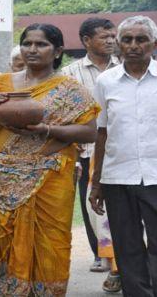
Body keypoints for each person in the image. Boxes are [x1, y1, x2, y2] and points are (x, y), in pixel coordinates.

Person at [0, 23, 100, 296]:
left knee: (48, 243)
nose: (32, 49)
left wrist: (47, 130)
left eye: (41, 44)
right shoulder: (1, 83)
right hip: (0, 177)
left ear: (58, 50)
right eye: (27, 43)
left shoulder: (70, 89)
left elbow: (89, 132)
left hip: (49, 178)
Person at [90, 15, 157, 297]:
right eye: (127, 39)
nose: (133, 45)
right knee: (128, 250)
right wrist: (96, 182)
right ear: (119, 44)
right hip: (118, 178)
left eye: (141, 39)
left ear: (156, 44)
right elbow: (102, 133)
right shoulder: (106, 82)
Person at [62, 18, 120, 292]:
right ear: (86, 40)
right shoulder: (70, 73)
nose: (110, 40)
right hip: (85, 153)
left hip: (120, 153)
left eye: (113, 36)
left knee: (124, 210)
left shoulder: (124, 67)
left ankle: (119, 266)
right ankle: (102, 255)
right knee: (91, 210)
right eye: (104, 36)